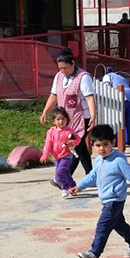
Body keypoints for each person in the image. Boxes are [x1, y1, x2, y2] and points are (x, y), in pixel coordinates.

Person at [70, 125, 130, 258]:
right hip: (106, 199)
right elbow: (92, 176)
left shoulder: (119, 161)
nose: (102, 149)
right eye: (98, 145)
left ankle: (94, 253)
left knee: (103, 226)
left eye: (106, 144)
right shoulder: (99, 160)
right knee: (119, 224)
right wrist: (79, 186)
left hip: (114, 200)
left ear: (113, 142)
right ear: (93, 145)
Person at [39, 47, 96, 176]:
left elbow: (90, 98)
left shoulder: (83, 77)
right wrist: (45, 112)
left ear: (73, 64)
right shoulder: (59, 77)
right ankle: (91, 174)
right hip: (65, 119)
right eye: (60, 68)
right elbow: (53, 95)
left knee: (74, 146)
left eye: (65, 68)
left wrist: (93, 115)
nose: (62, 71)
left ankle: (64, 176)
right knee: (80, 148)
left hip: (82, 118)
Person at [40, 107, 80, 198]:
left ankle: (64, 187)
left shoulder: (69, 131)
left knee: (59, 172)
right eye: (58, 119)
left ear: (67, 120)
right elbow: (48, 143)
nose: (61, 121)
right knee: (66, 173)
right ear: (54, 121)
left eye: (63, 119)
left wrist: (72, 142)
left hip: (66, 156)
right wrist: (45, 154)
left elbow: (78, 139)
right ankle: (73, 186)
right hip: (56, 157)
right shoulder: (51, 132)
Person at [102, 67, 130, 146]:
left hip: (120, 96)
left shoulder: (107, 76)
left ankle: (120, 140)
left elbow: (106, 87)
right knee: (127, 119)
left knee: (118, 120)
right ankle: (127, 139)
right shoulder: (121, 77)